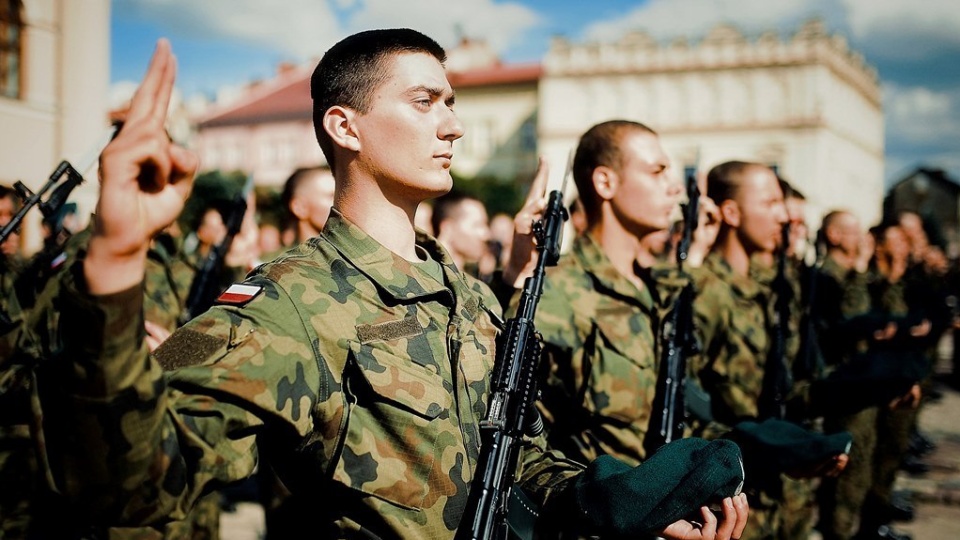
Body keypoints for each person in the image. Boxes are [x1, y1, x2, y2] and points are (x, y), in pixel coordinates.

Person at [40, 32, 748, 539]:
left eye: (450, 103)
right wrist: (113, 261)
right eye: (424, 101)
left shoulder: (464, 295)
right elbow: (126, 488)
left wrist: (614, 504)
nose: (455, 126)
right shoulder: (290, 300)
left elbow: (508, 451)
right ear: (345, 127)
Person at [688, 160, 851, 540]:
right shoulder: (703, 292)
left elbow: (787, 386)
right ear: (730, 212)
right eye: (771, 203)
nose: (784, 218)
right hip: (727, 504)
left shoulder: (768, 292)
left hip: (777, 493)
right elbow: (681, 412)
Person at [524, 119, 686, 466]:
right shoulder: (558, 293)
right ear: (605, 182)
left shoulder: (661, 290)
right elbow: (526, 443)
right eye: (657, 171)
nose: (674, 187)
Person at [431, 190, 491, 278]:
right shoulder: (431, 279)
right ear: (448, 228)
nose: (486, 235)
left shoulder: (469, 280)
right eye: (477, 225)